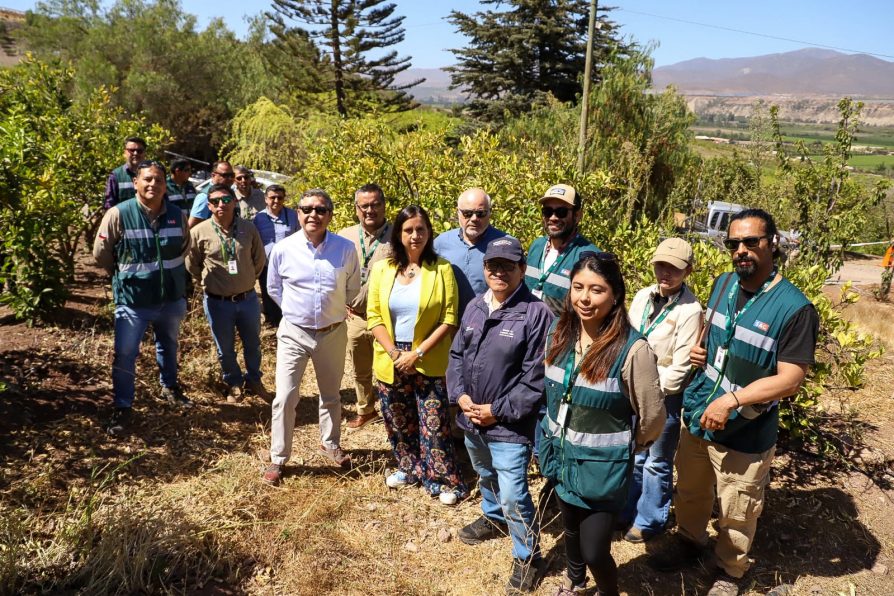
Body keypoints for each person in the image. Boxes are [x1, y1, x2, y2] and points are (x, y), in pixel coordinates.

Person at [648, 209, 819, 596]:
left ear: (772, 243)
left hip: (746, 429)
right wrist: (699, 350)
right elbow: (712, 331)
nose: (741, 250)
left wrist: (733, 400)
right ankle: (689, 541)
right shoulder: (724, 283)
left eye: (751, 242)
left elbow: (791, 379)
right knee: (690, 489)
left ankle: (730, 569)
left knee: (738, 507)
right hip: (699, 413)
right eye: (733, 244)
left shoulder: (794, 308)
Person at [539, 252, 665, 596]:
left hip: (602, 469)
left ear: (615, 296)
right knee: (570, 530)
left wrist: (629, 446)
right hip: (562, 457)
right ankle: (575, 582)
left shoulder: (632, 349)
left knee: (595, 549)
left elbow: (653, 416)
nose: (584, 297)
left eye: (596, 290)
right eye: (577, 287)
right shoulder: (559, 332)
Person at [448, 236, 554, 594]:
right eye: (493, 265)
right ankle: (493, 519)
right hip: (471, 418)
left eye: (508, 266)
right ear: (484, 268)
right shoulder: (476, 306)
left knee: (513, 492)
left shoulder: (537, 314)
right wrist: (460, 396)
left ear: (522, 270)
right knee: (484, 473)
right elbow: (457, 356)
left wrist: (497, 411)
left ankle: (528, 556)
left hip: (508, 425)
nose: (499, 272)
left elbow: (535, 378)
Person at [367, 205, 468, 506]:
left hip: (429, 357)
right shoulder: (383, 269)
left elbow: (450, 319)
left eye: (421, 229)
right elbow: (374, 316)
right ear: (399, 233)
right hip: (391, 355)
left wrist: (417, 353)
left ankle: (445, 479)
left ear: (429, 233)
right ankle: (407, 468)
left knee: (433, 421)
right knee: (398, 419)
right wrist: (396, 353)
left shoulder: (442, 269)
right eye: (408, 229)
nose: (415, 235)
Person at [263, 189, 361, 484]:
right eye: (307, 209)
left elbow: (353, 288)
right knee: (285, 397)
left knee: (330, 394)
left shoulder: (344, 248)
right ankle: (278, 458)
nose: (313, 215)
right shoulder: (284, 249)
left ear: (330, 215)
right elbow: (273, 288)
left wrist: (328, 313)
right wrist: (298, 313)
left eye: (320, 210)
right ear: (298, 214)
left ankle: (330, 444)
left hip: (332, 332)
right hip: (294, 333)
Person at [93, 160, 191, 436]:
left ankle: (170, 387)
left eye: (158, 180)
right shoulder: (118, 214)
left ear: (165, 184)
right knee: (125, 354)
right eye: (147, 179)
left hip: (170, 299)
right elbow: (101, 253)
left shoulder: (176, 215)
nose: (153, 185)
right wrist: (122, 275)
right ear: (135, 182)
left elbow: (184, 248)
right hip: (132, 301)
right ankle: (123, 406)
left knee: (169, 345)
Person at [620, 238, 704, 543]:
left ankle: (651, 518)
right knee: (634, 454)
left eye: (674, 268)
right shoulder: (643, 296)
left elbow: (680, 368)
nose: (665, 272)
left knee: (657, 460)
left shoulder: (690, 310)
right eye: (661, 265)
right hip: (631, 390)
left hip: (664, 397)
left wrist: (647, 390)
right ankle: (628, 508)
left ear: (688, 271)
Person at [186, 184, 269, 403]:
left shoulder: (248, 228)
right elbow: (191, 263)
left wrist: (246, 279)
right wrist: (205, 282)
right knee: (225, 348)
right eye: (214, 201)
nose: (220, 205)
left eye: (225, 200)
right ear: (209, 206)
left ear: (233, 202)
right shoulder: (198, 231)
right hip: (217, 302)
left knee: (253, 343)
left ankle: (254, 380)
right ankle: (234, 383)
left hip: (247, 299)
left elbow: (258, 260)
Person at [337, 183, 393, 429]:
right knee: (360, 368)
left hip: (389, 317)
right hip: (356, 316)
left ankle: (393, 413)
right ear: (356, 209)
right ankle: (366, 409)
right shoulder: (344, 236)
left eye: (375, 204)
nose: (370, 210)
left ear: (383, 205)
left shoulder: (399, 234)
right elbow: (334, 273)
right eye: (364, 206)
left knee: (392, 369)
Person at [524, 184, 600, 318]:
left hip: (562, 335)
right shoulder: (536, 246)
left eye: (561, 212)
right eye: (547, 211)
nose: (553, 217)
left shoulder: (590, 256)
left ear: (577, 215)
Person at [433, 187, 509, 316]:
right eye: (467, 213)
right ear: (458, 213)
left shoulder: (505, 244)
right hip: (447, 325)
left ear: (489, 213)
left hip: (489, 323)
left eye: (480, 214)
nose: (474, 219)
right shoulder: (440, 243)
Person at [253, 184, 299, 328]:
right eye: (273, 197)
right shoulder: (258, 218)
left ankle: (288, 320)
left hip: (289, 263)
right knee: (268, 292)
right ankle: (272, 322)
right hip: (266, 264)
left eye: (280, 197)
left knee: (288, 292)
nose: (276, 201)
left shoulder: (293, 216)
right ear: (266, 199)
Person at [188, 161, 236, 228]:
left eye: (232, 175)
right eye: (225, 175)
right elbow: (192, 226)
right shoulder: (204, 196)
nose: (230, 178)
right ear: (213, 175)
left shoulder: (231, 192)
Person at [104, 136, 146, 209]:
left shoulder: (152, 174)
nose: (135, 153)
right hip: (123, 219)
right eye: (132, 150)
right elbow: (109, 204)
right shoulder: (116, 175)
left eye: (139, 151)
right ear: (125, 152)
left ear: (144, 153)